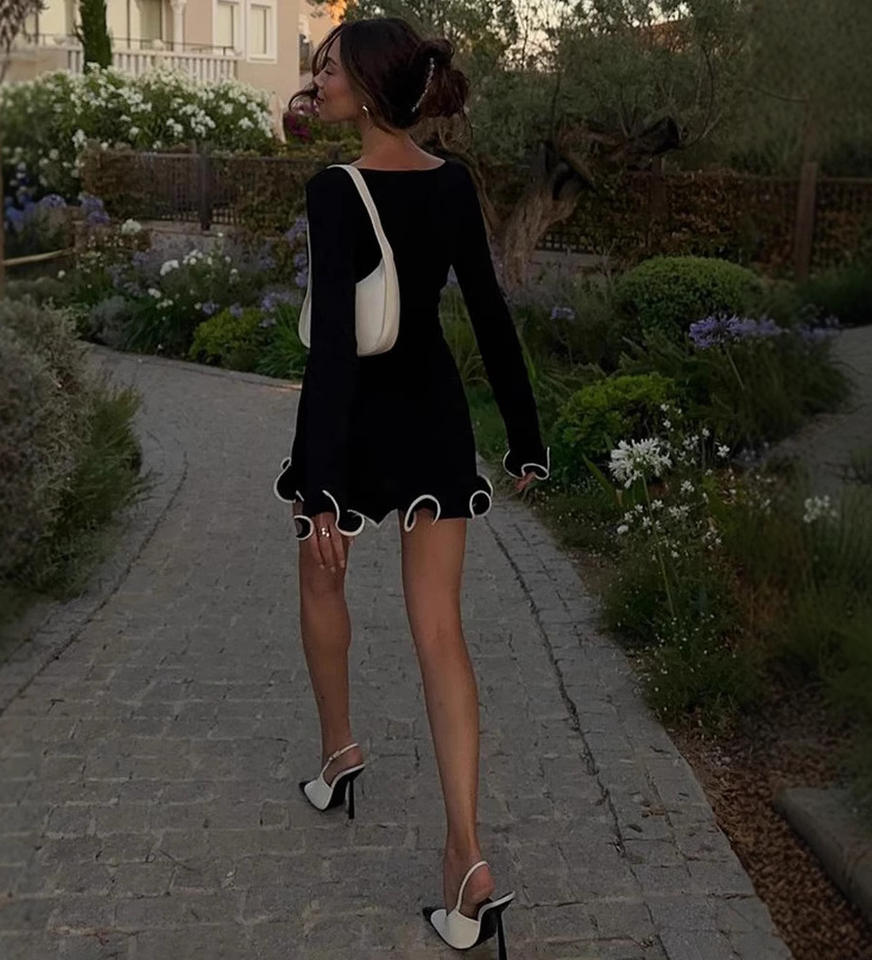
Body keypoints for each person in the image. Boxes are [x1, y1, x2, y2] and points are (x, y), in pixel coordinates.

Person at [272, 16, 549, 958]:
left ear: (366, 89)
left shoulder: (334, 190)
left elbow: (334, 349)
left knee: (320, 577)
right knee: (441, 632)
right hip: (433, 414)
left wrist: (318, 484)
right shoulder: (452, 181)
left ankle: (339, 752)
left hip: (357, 421)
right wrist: (526, 437)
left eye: (330, 69)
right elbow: (489, 312)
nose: (318, 79)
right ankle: (466, 856)